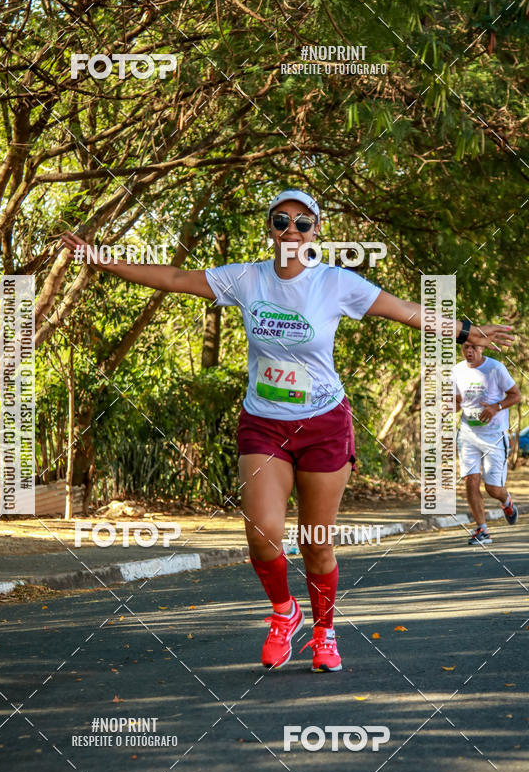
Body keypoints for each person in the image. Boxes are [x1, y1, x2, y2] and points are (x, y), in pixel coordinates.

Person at [61, 189, 513, 672]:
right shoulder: (246, 278)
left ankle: (324, 632)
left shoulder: (337, 283)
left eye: (303, 222)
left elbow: (406, 312)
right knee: (262, 534)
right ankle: (284, 612)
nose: (292, 230)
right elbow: (172, 277)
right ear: (270, 229)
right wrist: (102, 261)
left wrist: (466, 331)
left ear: (317, 230)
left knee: (316, 540)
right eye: (282, 221)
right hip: (263, 424)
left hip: (324, 425)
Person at [454, 341, 521, 545]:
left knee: (492, 488)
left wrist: (495, 407)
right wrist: (448, 406)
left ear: (482, 348)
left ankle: (506, 501)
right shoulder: (456, 371)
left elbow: (516, 395)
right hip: (468, 434)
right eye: (465, 347)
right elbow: (457, 401)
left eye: (473, 347)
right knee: (471, 480)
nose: (469, 351)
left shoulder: (496, 368)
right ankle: (481, 529)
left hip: (494, 436)